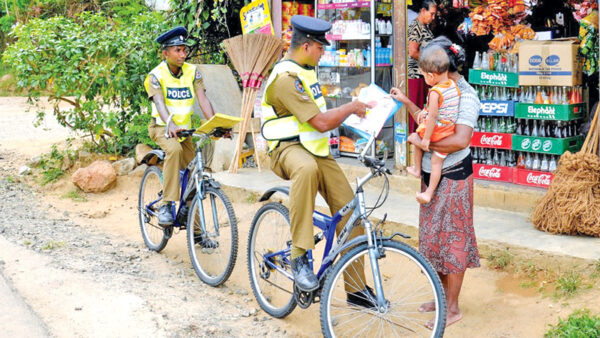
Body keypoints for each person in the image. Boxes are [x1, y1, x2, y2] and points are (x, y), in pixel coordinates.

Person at [260, 15, 375, 305]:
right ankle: (300, 256)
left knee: (351, 212)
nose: (324, 52)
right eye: (321, 48)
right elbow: (322, 123)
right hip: (285, 149)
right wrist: (350, 107)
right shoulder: (286, 78)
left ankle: (356, 289)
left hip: (314, 148)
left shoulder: (307, 70)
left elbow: (318, 119)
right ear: (307, 46)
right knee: (306, 168)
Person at [390, 36, 480, 328]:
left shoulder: (465, 95)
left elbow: (461, 139)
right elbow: (428, 122)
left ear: (440, 69)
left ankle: (452, 308)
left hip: (454, 175)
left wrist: (422, 143)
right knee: (434, 239)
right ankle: (441, 297)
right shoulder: (440, 90)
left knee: (453, 240)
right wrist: (405, 102)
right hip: (432, 175)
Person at [144, 26, 215, 226]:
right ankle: (166, 203)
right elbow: (159, 102)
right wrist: (170, 124)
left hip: (184, 131)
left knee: (195, 172)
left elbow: (203, 99)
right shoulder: (156, 75)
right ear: (165, 53)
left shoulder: (193, 72)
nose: (183, 54)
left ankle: (197, 230)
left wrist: (215, 124)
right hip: (162, 127)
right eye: (177, 50)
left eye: (184, 49)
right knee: (174, 151)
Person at [402, 45, 461, 204]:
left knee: (414, 135)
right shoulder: (452, 85)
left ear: (431, 76)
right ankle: (428, 192)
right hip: (449, 130)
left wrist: (426, 139)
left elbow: (434, 116)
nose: (424, 79)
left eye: (423, 76)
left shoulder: (435, 92)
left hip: (438, 131)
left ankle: (416, 168)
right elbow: (442, 110)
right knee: (437, 162)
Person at [407, 0, 437, 133]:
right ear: (423, 11)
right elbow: (413, 51)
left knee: (422, 108)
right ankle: (413, 141)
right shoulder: (416, 26)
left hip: (423, 74)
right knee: (415, 108)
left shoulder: (425, 26)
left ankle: (419, 137)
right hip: (415, 75)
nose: (433, 17)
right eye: (432, 14)